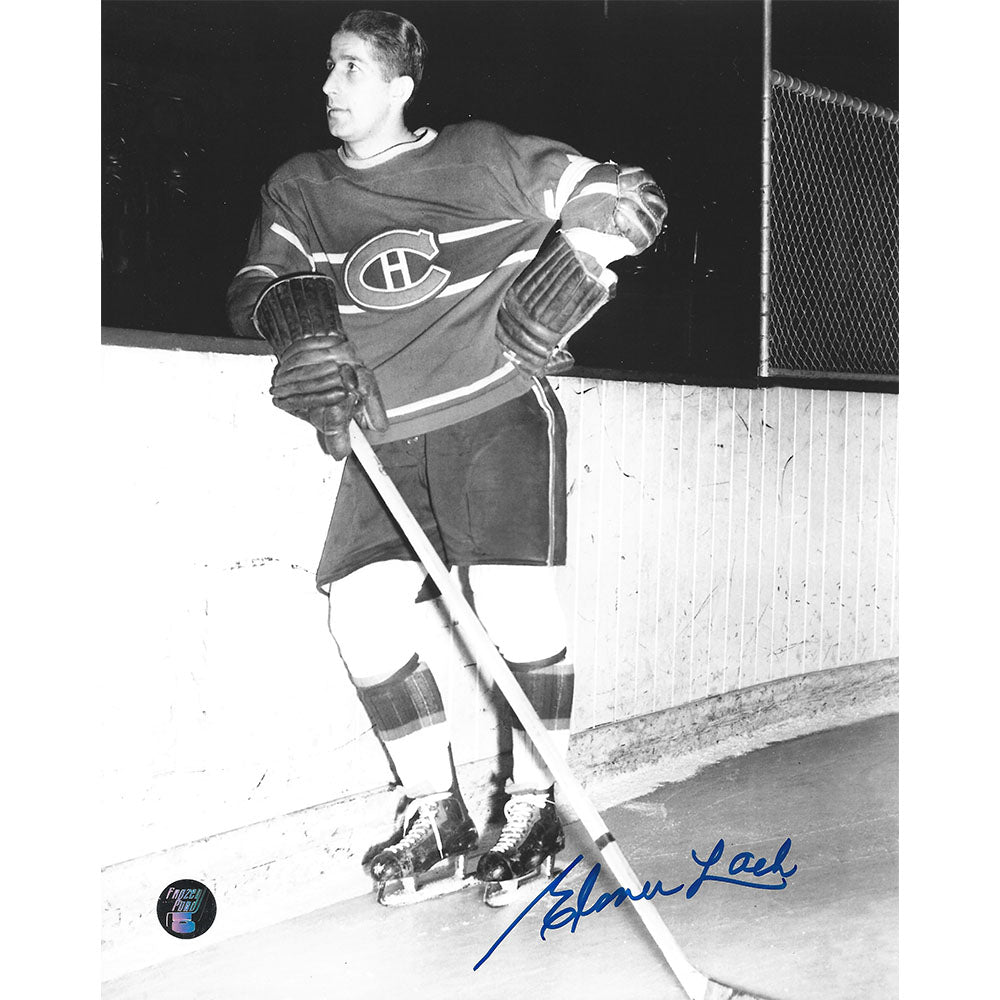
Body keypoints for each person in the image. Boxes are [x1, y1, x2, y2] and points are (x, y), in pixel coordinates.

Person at [226, 8, 667, 905]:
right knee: (359, 615)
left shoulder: (481, 156)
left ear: (399, 87)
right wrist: (291, 329)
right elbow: (258, 285)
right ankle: (438, 812)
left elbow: (629, 197)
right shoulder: (301, 186)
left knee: (510, 606)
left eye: (350, 70)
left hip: (494, 410)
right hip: (381, 434)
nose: (328, 86)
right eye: (328, 67)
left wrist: (575, 267)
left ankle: (538, 806)